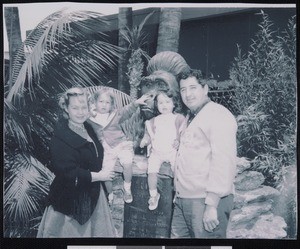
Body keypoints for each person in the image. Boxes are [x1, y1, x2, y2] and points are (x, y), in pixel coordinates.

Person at [37, 87, 116, 238]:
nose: (80, 112)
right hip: (69, 202)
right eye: (74, 108)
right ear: (66, 108)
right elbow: (66, 171)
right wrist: (99, 176)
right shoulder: (60, 135)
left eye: (83, 107)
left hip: (93, 196)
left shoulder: (89, 127)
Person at [171, 69, 237, 238]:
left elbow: (223, 162)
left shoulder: (218, 115)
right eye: (183, 89)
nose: (188, 94)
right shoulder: (190, 117)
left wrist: (212, 205)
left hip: (205, 202)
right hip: (182, 201)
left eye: (193, 87)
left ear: (205, 89)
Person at [87, 89, 151, 205]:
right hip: (106, 150)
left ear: (111, 105)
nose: (104, 105)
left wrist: (137, 102)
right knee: (106, 173)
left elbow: (127, 110)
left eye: (107, 103)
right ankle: (110, 194)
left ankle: (127, 188)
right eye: (101, 101)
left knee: (127, 163)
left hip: (122, 144)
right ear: (95, 103)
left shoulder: (115, 114)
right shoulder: (90, 119)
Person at [140, 90, 186, 210]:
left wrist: (179, 140)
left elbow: (185, 133)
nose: (164, 105)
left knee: (177, 171)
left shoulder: (178, 118)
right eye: (160, 103)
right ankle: (154, 195)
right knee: (151, 171)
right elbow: (149, 134)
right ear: (156, 105)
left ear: (174, 103)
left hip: (172, 151)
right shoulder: (153, 121)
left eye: (167, 102)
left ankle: (178, 194)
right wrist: (145, 141)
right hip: (157, 152)